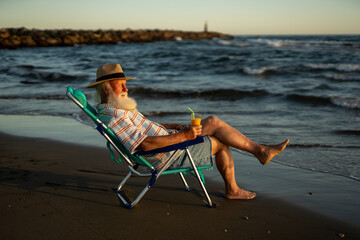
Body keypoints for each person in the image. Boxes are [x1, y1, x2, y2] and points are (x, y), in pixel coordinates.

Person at [87, 63, 289, 200]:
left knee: (212, 122)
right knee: (221, 141)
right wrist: (183, 136)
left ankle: (260, 151)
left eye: (125, 83)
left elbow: (145, 129)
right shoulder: (116, 116)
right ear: (105, 88)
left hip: (167, 141)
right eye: (120, 84)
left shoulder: (116, 109)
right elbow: (144, 144)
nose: (126, 88)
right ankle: (235, 186)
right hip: (164, 154)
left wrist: (173, 126)